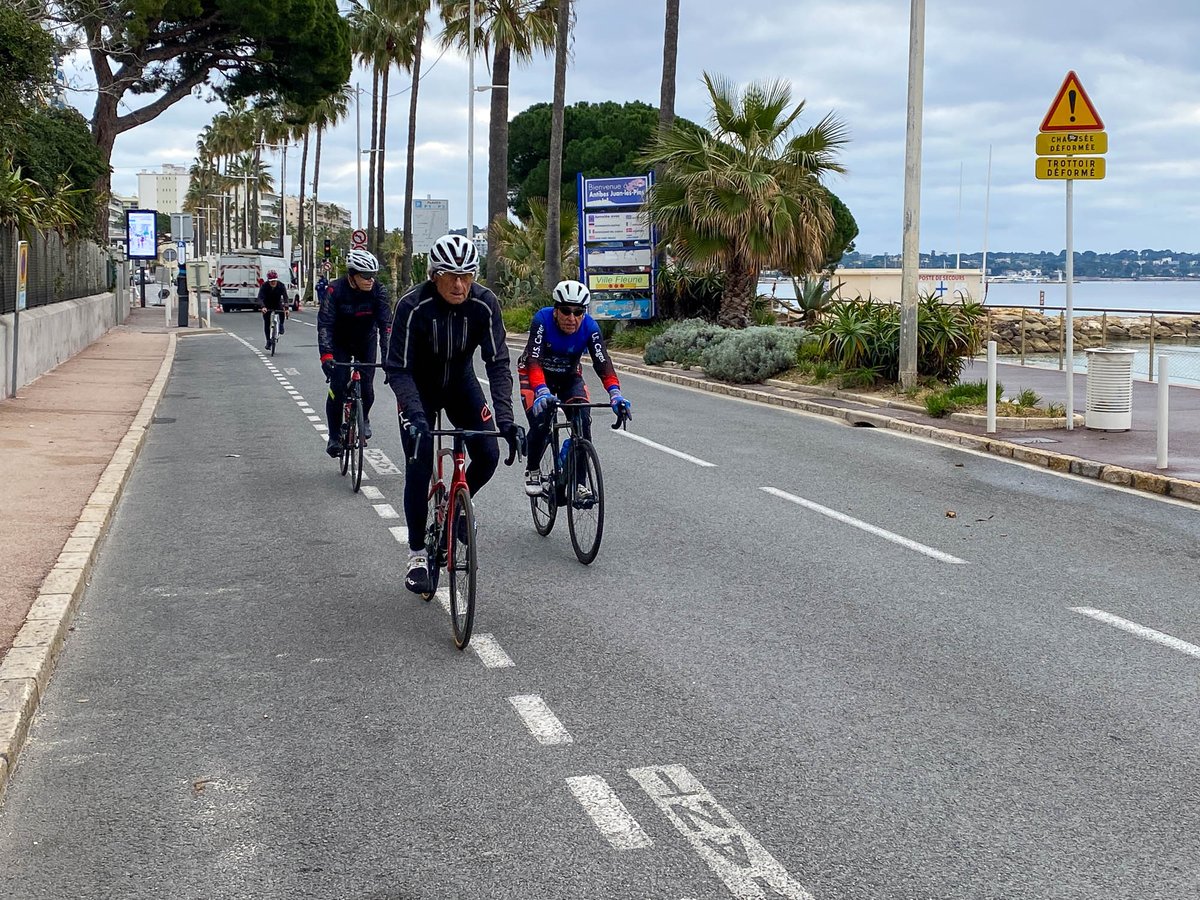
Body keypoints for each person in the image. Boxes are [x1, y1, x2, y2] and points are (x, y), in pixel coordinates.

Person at [384, 233, 523, 595]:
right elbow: (397, 368)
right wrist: (415, 416)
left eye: (468, 275)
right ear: (434, 275)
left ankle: (459, 508)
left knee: (489, 453)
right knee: (419, 463)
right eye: (451, 275)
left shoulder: (485, 303)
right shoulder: (413, 305)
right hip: (419, 387)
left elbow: (498, 364)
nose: (460, 284)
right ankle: (416, 555)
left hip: (461, 383)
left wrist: (506, 420)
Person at [518, 280, 631, 499]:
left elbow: (603, 362)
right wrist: (541, 389)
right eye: (566, 311)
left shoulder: (590, 327)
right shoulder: (542, 319)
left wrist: (615, 393)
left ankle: (579, 485)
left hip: (569, 376)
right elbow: (533, 360)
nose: (572, 318)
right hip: (535, 374)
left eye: (578, 312)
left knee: (582, 421)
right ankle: (532, 469)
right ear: (555, 310)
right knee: (541, 421)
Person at [318, 248, 392, 457]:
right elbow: (325, 325)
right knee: (338, 387)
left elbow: (386, 326)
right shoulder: (335, 290)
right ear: (352, 275)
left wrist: (387, 357)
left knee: (367, 387)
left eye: (373, 275)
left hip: (365, 341)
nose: (370, 280)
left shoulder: (379, 291)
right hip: (340, 342)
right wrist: (326, 356)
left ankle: (364, 416)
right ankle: (334, 436)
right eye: (365, 276)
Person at [257, 269, 289, 349]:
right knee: (267, 323)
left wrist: (287, 308)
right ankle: (268, 341)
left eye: (274, 281)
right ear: (268, 280)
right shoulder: (264, 286)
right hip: (267, 305)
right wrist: (263, 307)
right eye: (271, 281)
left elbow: (285, 297)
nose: (273, 283)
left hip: (277, 303)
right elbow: (260, 297)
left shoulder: (281, 285)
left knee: (282, 312)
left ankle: (281, 325)